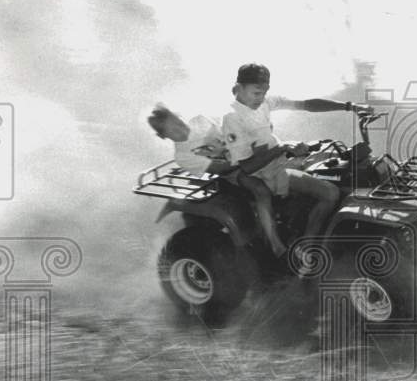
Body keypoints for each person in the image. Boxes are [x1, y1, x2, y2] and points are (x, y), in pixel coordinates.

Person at [221, 63, 368, 268]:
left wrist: (349, 107)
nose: (261, 97)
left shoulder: (264, 102)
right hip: (263, 172)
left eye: (265, 92)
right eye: (256, 92)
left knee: (334, 163)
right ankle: (295, 248)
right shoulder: (232, 119)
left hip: (279, 160)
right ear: (239, 87)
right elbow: (247, 167)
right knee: (330, 193)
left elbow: (306, 104)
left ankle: (311, 234)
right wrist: (283, 148)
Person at [147, 105, 288, 258]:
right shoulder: (183, 155)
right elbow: (220, 169)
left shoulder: (200, 120)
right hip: (233, 171)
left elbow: (231, 133)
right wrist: (246, 158)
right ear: (164, 136)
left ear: (180, 116)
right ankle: (276, 244)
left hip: (244, 151)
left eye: (179, 123)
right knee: (260, 190)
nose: (181, 130)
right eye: (173, 131)